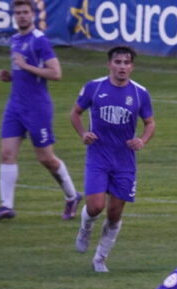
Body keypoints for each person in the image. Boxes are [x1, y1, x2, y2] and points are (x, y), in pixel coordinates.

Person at [0, 0, 81, 222]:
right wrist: (10, 76)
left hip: (37, 108)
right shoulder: (16, 39)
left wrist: (26, 66)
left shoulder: (40, 40)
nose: (21, 16)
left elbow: (56, 73)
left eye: (25, 12)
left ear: (33, 14)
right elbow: (25, 72)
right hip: (15, 106)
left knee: (46, 158)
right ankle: (6, 206)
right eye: (17, 13)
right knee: (7, 154)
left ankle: (72, 195)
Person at [69, 45, 155, 272]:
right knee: (95, 206)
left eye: (126, 63)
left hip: (124, 161)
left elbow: (150, 123)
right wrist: (82, 134)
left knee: (115, 214)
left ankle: (100, 259)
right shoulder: (94, 88)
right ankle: (85, 227)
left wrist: (142, 140)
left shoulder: (139, 93)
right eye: (118, 62)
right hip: (98, 156)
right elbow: (75, 113)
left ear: (132, 67)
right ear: (109, 64)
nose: (122, 67)